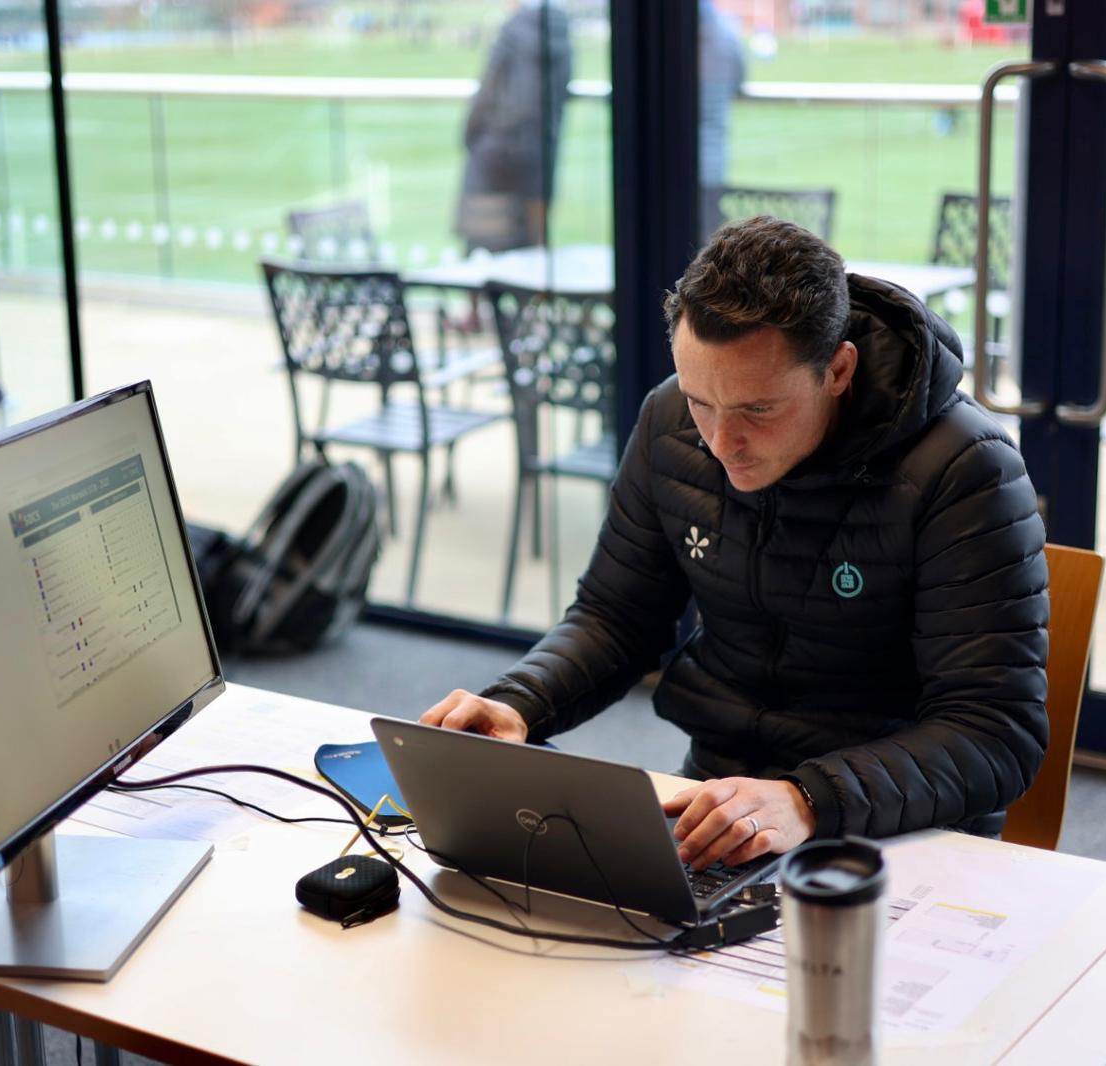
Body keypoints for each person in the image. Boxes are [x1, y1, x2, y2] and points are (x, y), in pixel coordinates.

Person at [423, 217, 1050, 870]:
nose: (721, 444)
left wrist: (806, 799)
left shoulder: (965, 469)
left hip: (900, 827)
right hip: (721, 800)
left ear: (838, 369)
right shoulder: (668, 421)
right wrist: (519, 703)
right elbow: (616, 616)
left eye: (758, 410)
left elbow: (992, 732)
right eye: (701, 401)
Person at [452, 1, 572, 254]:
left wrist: (469, 136)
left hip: (495, 151)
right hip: (539, 152)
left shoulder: (512, 32)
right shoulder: (562, 32)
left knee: (484, 245)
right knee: (534, 244)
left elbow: (487, 92)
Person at [698, 0, 747, 239]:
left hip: (676, 166)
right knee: (707, 238)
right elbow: (739, 78)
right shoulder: (726, 32)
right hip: (713, 167)